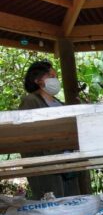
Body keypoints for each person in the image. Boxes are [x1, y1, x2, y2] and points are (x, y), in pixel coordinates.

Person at [19, 60, 81, 200]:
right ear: (37, 80)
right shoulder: (31, 101)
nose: (55, 80)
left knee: (73, 202)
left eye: (56, 76)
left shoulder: (59, 103)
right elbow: (27, 134)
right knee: (52, 203)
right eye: (50, 76)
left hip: (67, 163)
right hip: (45, 165)